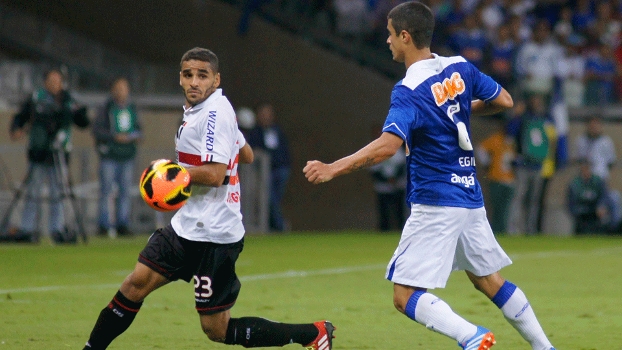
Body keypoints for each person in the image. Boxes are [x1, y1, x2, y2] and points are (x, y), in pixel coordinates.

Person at [303, 3, 555, 349]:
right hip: (469, 195)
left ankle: (471, 336)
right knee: (489, 280)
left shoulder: (409, 90)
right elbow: (505, 100)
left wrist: (334, 167)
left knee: (404, 295)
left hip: (436, 200)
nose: (388, 41)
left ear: (405, 36)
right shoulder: (459, 67)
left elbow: (387, 146)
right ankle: (546, 347)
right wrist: (463, 109)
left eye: (391, 34)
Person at [82, 47, 334, 350]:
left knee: (216, 329)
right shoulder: (211, 110)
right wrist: (227, 146)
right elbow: (248, 155)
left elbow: (214, 175)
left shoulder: (214, 113)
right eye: (188, 75)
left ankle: (312, 334)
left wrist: (172, 174)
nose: (194, 82)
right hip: (187, 226)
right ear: (180, 78)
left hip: (216, 235)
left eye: (202, 75)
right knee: (135, 283)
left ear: (216, 80)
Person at [8, 68, 89, 243]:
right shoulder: (36, 98)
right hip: (38, 152)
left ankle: (57, 229)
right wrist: (17, 129)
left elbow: (82, 120)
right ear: (45, 82)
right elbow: (20, 117)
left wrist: (78, 113)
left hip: (59, 153)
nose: (54, 84)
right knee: (32, 192)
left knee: (58, 193)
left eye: (57, 81)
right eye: (51, 80)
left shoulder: (67, 100)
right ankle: (27, 228)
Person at [93, 77, 142, 237]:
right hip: (110, 156)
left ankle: (123, 223)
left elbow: (139, 129)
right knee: (106, 191)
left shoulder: (132, 108)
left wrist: (134, 137)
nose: (121, 92)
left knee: (125, 191)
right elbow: (97, 130)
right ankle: (104, 224)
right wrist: (114, 137)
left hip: (127, 156)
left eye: (124, 88)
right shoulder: (106, 108)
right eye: (118, 88)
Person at [247, 103, 292, 232]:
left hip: (281, 169)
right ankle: (280, 225)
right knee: (269, 198)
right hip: (265, 171)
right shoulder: (255, 132)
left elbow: (284, 149)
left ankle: (274, 225)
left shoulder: (277, 130)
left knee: (276, 199)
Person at [476, 120, 515, 234]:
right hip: (496, 178)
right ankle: (496, 231)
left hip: (509, 179)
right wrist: (487, 163)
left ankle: (503, 230)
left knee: (505, 210)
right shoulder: (496, 139)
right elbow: (480, 149)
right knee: (497, 208)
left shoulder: (511, 141)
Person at [369, 123, 407, 232]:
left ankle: (400, 230)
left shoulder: (398, 149)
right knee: (384, 212)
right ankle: (383, 231)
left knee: (399, 211)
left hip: (398, 185)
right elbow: (374, 171)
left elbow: (403, 165)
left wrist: (394, 179)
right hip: (382, 187)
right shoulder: (373, 150)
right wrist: (387, 180)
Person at [567, 160, 608, 234]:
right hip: (581, 208)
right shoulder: (575, 183)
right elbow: (571, 200)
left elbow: (604, 196)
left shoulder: (597, 181)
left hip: (594, 208)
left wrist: (601, 206)